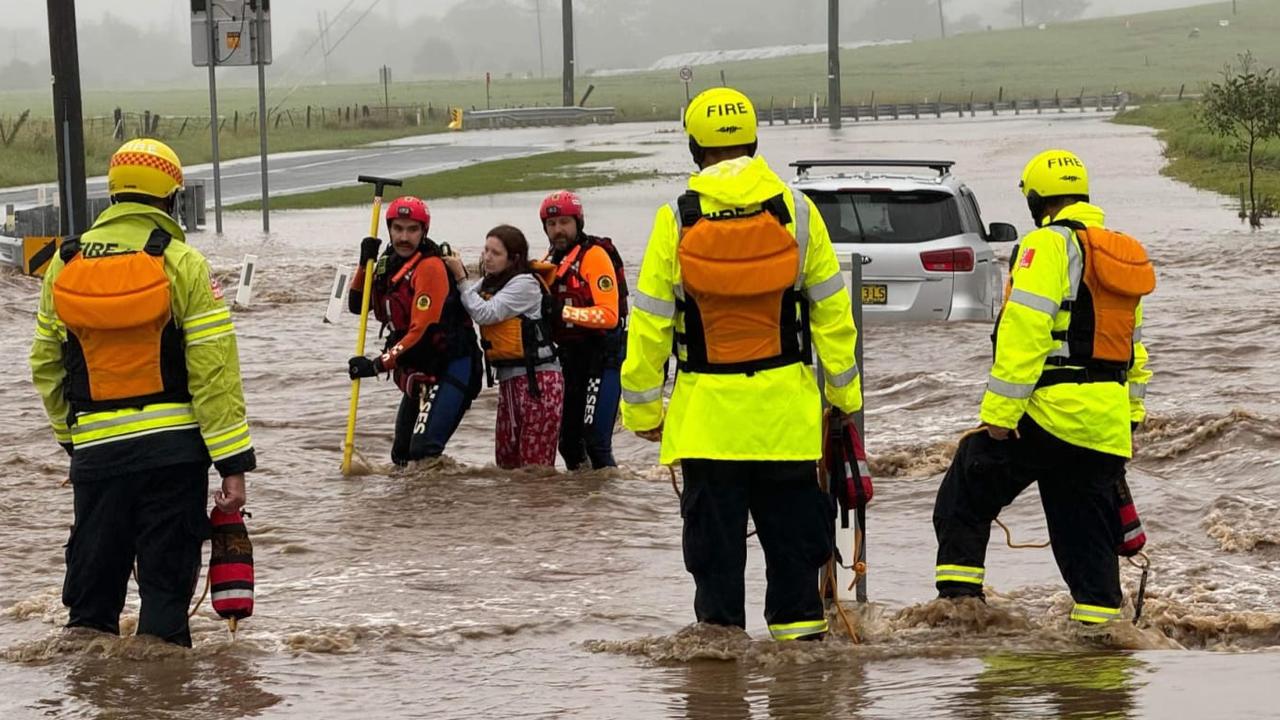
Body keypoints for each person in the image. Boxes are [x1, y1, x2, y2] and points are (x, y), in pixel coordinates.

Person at [620, 87, 863, 642]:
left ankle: (720, 674)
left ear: (693, 147)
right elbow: (833, 315)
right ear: (754, 140)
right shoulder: (799, 212)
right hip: (786, 424)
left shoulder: (674, 220)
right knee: (797, 565)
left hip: (707, 425)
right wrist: (844, 401)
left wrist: (641, 412)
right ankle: (802, 683)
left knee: (715, 566)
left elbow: (651, 325)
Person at [29, 138, 255, 647]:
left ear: (112, 197)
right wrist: (233, 466)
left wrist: (74, 437)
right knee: (165, 601)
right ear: (172, 198)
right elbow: (214, 375)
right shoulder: (183, 264)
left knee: (90, 605)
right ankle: (163, 696)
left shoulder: (65, 264)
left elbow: (44, 365)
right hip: (173, 457)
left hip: (97, 457)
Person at [932, 149, 1154, 626]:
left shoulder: (1048, 245)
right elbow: (1134, 348)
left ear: (1036, 200)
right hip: (1106, 424)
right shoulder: (1119, 251)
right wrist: (1129, 420)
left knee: (965, 491)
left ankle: (959, 614)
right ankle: (1099, 651)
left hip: (1050, 414)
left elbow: (1024, 332)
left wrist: (999, 417)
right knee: (1087, 542)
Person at [347, 196, 481, 466]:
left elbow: (421, 332)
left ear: (424, 232)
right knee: (402, 454)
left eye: (412, 230)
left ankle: (441, 506)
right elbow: (356, 305)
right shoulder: (388, 263)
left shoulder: (430, 267)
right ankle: (408, 508)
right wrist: (364, 265)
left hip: (453, 366)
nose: (404, 237)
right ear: (389, 230)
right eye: (398, 229)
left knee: (423, 450)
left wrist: (376, 365)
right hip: (421, 367)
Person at [445, 224, 563, 469]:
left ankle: (544, 507)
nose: (487, 257)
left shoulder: (525, 284)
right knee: (506, 463)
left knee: (534, 468)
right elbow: (463, 300)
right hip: (509, 383)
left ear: (514, 258)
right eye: (486, 250)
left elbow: (484, 313)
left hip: (539, 383)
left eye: (495, 253)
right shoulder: (491, 282)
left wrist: (461, 277)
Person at [540, 190, 628, 470]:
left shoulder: (595, 256)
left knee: (595, 442)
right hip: (569, 359)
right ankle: (580, 509)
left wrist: (562, 311)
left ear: (578, 222)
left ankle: (610, 505)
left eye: (564, 222)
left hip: (602, 358)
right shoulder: (549, 260)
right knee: (567, 444)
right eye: (552, 225)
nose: (558, 230)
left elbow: (610, 315)